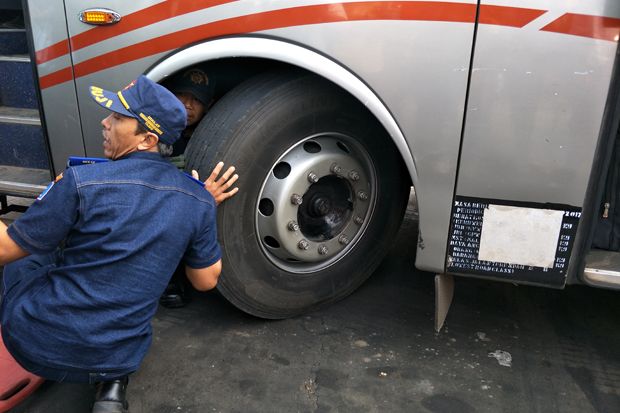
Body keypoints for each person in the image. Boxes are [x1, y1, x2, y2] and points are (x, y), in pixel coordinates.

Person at [0, 75, 235, 413]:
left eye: (117, 118)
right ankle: (111, 386)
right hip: (120, 355)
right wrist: (198, 212)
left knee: (24, 256)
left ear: (146, 139)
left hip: (34, 347)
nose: (105, 122)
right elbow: (205, 280)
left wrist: (47, 210)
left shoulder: (82, 182)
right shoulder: (197, 200)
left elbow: (4, 250)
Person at [159, 67, 238, 308]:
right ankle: (170, 278)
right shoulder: (156, 137)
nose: (187, 104)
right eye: (181, 95)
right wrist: (200, 201)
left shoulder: (218, 139)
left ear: (210, 105)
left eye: (196, 99)